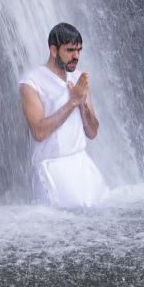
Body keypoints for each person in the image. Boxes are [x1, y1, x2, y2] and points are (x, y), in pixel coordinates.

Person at [19, 23, 109, 208]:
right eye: (69, 50)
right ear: (53, 50)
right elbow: (39, 132)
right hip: (52, 170)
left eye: (78, 50)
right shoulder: (31, 83)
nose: (75, 56)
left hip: (84, 167)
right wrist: (72, 102)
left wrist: (82, 102)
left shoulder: (78, 80)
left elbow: (92, 132)